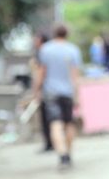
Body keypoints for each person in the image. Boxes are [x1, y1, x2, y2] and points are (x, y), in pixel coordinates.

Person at [34, 23, 83, 168]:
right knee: (68, 123)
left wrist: (36, 91)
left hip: (50, 93)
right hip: (67, 92)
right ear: (67, 34)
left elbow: (41, 73)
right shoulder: (73, 50)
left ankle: (62, 155)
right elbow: (75, 76)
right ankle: (68, 153)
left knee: (55, 124)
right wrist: (77, 95)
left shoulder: (45, 50)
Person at [29, 32, 54, 152]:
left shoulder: (43, 53)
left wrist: (36, 90)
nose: (34, 40)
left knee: (47, 119)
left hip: (47, 91)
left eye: (36, 38)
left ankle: (50, 143)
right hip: (55, 90)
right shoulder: (52, 51)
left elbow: (40, 73)